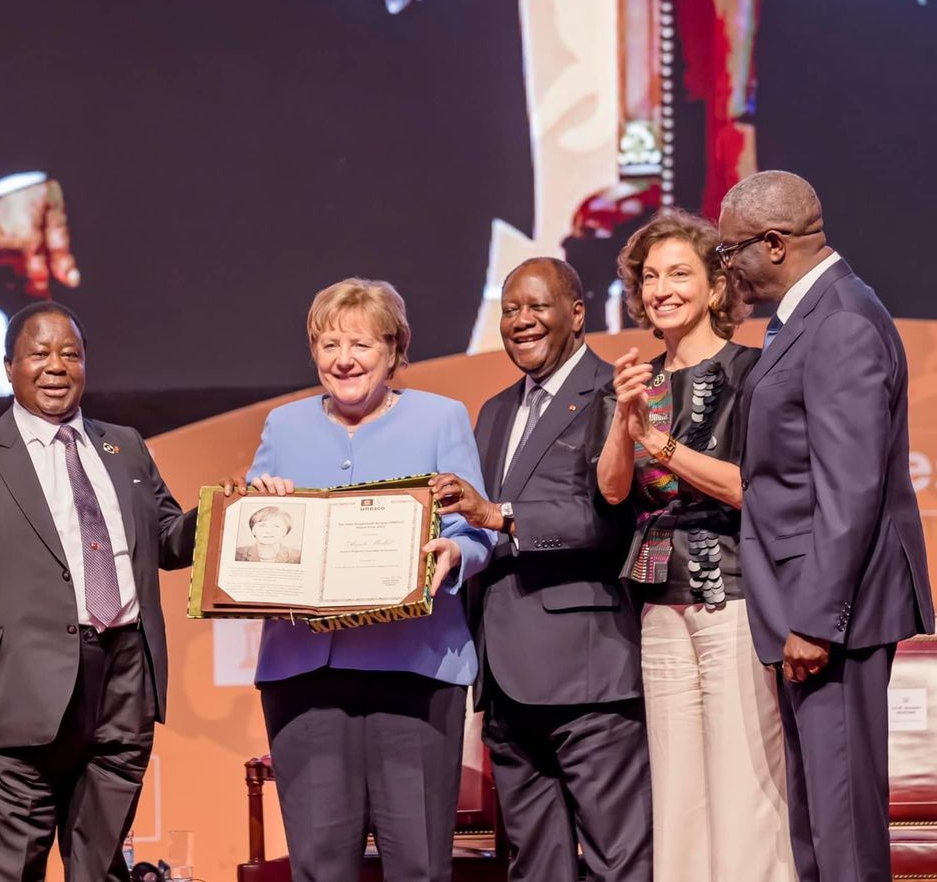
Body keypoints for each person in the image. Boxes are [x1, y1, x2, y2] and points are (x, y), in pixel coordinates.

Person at [0, 301, 198, 881]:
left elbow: (168, 541)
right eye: (39, 354)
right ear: (9, 366)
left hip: (123, 682)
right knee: (12, 870)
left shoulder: (125, 446)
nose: (56, 366)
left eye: (70, 353)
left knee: (101, 868)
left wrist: (228, 514)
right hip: (13, 694)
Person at [219, 277, 492, 882]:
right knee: (319, 865)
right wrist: (262, 507)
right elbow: (254, 538)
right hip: (305, 673)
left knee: (419, 863)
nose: (344, 359)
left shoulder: (441, 418)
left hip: (416, 670)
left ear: (394, 351)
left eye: (362, 344)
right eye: (330, 344)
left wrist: (456, 552)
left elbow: (477, 531)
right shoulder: (283, 426)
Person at [720, 170, 935, 882]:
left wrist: (816, 621)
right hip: (806, 608)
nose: (730, 267)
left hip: (830, 619)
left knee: (844, 834)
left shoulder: (840, 321)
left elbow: (850, 490)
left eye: (732, 251)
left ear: (775, 244)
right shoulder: (811, 316)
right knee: (818, 826)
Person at [430, 257, 651, 882]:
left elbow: (609, 520)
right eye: (509, 310)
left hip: (590, 678)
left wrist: (498, 515)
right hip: (503, 680)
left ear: (577, 314)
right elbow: (476, 527)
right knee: (535, 866)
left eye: (537, 306)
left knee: (620, 861)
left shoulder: (616, 394)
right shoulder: (495, 410)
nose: (521, 322)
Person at [594, 210, 794, 880]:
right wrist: (626, 423)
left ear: (714, 286)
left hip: (733, 595)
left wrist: (661, 444)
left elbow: (748, 488)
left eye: (678, 273)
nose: (661, 288)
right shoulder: (634, 379)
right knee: (676, 790)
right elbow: (615, 491)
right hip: (658, 601)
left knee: (744, 783)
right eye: (650, 277)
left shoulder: (753, 372)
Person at [234, 505, 302, 563]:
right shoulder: (237, 554)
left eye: (276, 526)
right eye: (262, 526)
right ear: (253, 530)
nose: (268, 531)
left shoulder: (297, 556)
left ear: (285, 531)